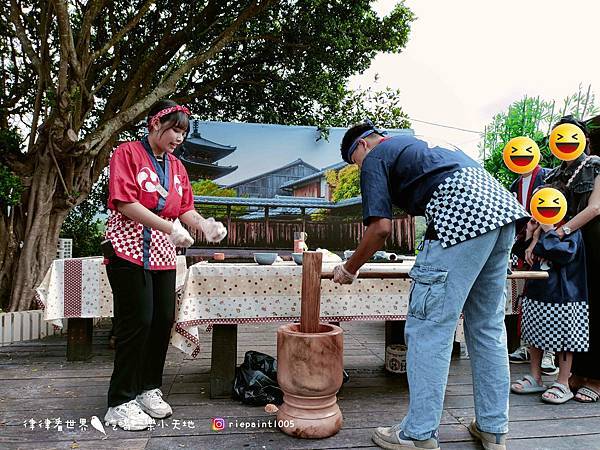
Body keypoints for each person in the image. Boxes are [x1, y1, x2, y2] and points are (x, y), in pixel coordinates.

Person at [333, 121, 528, 450]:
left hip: (461, 218)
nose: (360, 168)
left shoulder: (376, 157)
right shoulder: (420, 145)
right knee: (487, 326)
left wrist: (350, 268)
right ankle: (494, 429)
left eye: (356, 163)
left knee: (428, 328)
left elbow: (380, 229)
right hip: (503, 213)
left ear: (363, 147)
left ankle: (419, 433)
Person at [103, 100, 228, 430]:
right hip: (126, 247)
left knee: (163, 320)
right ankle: (119, 401)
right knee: (137, 321)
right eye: (174, 129)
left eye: (183, 132)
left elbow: (185, 207)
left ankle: (147, 388)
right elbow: (125, 202)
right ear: (154, 125)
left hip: (161, 251)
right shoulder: (127, 153)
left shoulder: (176, 167)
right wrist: (169, 226)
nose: (179, 137)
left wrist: (204, 225)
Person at [544, 116, 600, 403]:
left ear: (584, 139)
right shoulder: (552, 175)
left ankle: (597, 379)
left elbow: (595, 207)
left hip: (592, 242)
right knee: (572, 309)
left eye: (570, 136)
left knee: (594, 308)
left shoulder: (595, 164)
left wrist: (563, 230)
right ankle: (576, 373)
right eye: (559, 138)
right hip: (565, 249)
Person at [510, 211, 589, 404]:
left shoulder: (571, 230)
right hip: (537, 292)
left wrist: (549, 232)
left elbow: (564, 254)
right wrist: (530, 234)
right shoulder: (538, 229)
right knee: (534, 334)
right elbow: (522, 253)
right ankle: (535, 376)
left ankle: (562, 381)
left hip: (564, 295)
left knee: (564, 339)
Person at [507, 165, 558, 375]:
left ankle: (550, 353)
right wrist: (531, 234)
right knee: (530, 307)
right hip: (534, 275)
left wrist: (541, 233)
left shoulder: (561, 227)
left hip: (554, 277)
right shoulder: (531, 225)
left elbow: (561, 249)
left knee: (552, 309)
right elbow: (520, 249)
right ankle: (529, 349)